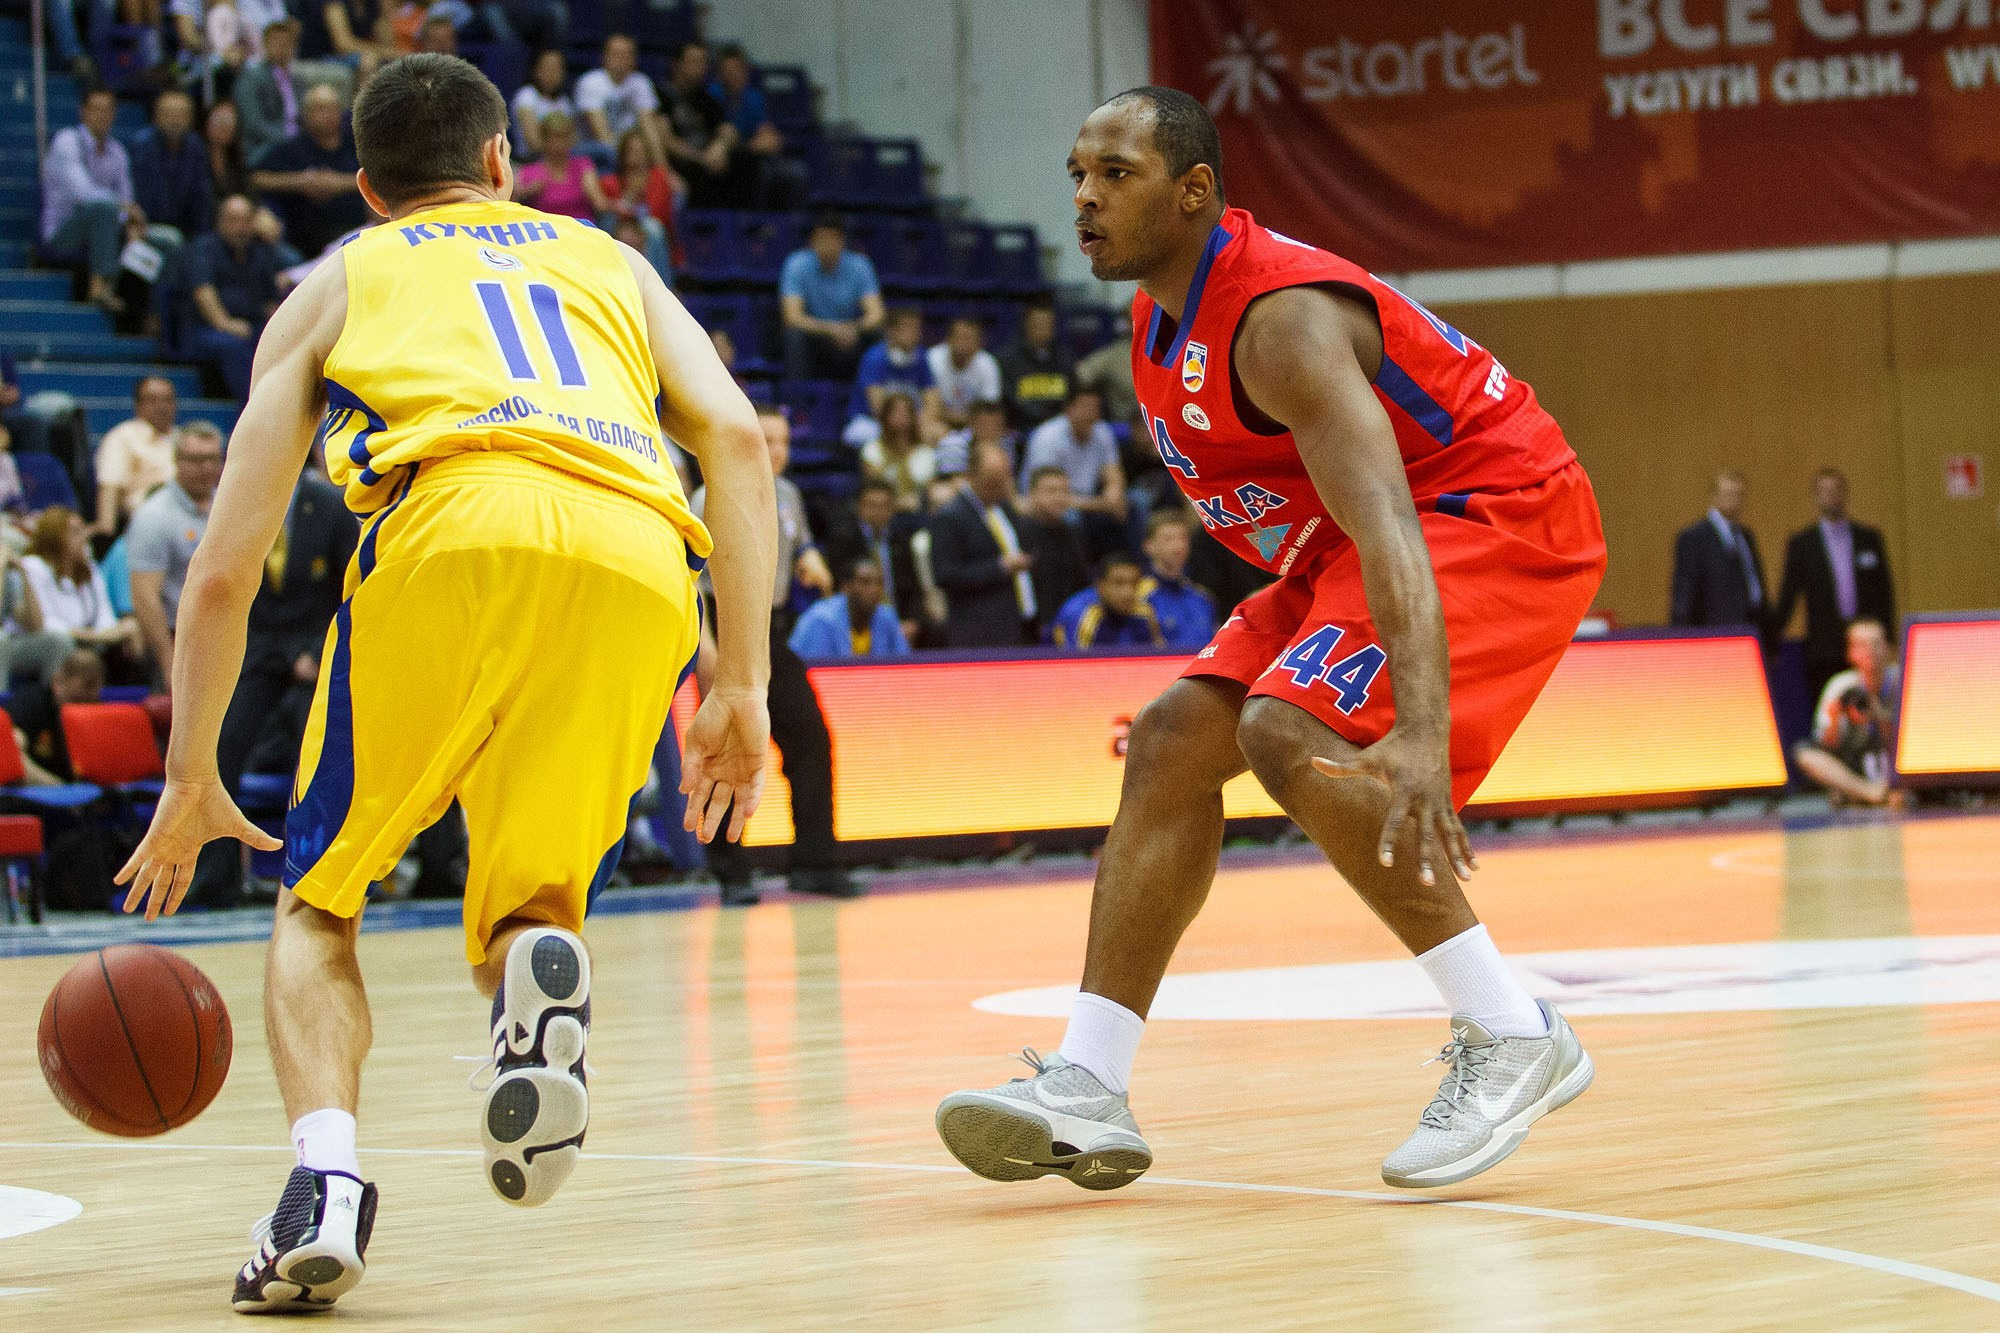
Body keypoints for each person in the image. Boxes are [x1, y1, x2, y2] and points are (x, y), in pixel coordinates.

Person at [112, 54, 776, 1313]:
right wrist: (735, 679)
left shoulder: (335, 283)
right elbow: (737, 439)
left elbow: (219, 572)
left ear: (366, 188)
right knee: (534, 900)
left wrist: (193, 770)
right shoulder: (610, 261)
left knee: (320, 898)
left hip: (448, 529)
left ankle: (324, 1187)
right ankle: (534, 963)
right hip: (640, 552)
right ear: (498, 161)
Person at [936, 88, 1606, 1193]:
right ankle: (1087, 1083)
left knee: (1289, 729)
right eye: (1076, 174)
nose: (1083, 200)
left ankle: (1511, 1029)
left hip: (1493, 514)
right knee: (1166, 742)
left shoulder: (1278, 320)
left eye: (1114, 175)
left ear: (1193, 192)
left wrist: (1419, 731)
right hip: (1339, 547)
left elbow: (1390, 517)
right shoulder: (1156, 314)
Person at [690, 407, 853, 907]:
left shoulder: (789, 496)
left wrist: (809, 556)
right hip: (720, 622)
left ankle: (815, 863)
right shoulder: (709, 494)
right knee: (725, 749)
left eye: (782, 441)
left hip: (769, 628)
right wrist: (707, 645)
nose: (774, 450)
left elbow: (796, 540)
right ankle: (732, 873)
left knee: (809, 738)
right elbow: (687, 577)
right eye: (764, 439)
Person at [186, 464, 358, 908]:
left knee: (321, 747)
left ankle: (324, 874)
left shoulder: (330, 506)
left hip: (312, 653)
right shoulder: (239, 508)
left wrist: (321, 651)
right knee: (218, 744)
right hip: (258, 649)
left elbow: (354, 587)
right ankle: (218, 877)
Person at [39, 87, 178, 316]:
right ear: (82, 112)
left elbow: (127, 197)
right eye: (96, 109)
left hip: (110, 228)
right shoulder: (67, 141)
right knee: (103, 209)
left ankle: (153, 316)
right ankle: (98, 289)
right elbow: (83, 193)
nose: (102, 115)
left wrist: (128, 223)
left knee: (170, 241)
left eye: (108, 110)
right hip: (65, 232)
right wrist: (123, 212)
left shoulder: (117, 152)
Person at [1775, 467, 1896, 707]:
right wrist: (1772, 639)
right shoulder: (1803, 544)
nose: (1832, 497)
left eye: (1836, 491)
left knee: (1871, 706)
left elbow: (1885, 592)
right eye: (1825, 492)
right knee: (1828, 705)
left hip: (1865, 643)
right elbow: (1788, 595)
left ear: (1845, 494)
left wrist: (1888, 637)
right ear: (1816, 497)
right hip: (1824, 645)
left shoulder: (1868, 539)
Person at [126, 420, 224, 682]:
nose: (207, 468)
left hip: (224, 636)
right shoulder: (154, 515)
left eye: (213, 459)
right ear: (177, 460)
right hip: (178, 639)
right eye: (196, 460)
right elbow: (145, 596)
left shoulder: (227, 505)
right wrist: (168, 661)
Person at [188, 195, 301, 400]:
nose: (239, 228)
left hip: (253, 325)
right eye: (233, 220)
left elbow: (270, 302)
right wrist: (225, 323)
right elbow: (203, 293)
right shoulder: (203, 250)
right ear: (219, 221)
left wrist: (281, 331)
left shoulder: (261, 252)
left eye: (245, 221)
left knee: (289, 343)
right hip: (211, 328)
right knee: (234, 345)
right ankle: (252, 405)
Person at [929, 440, 1035, 648]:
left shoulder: (1004, 507)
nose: (1001, 486)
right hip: (978, 631)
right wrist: (1000, 568)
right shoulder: (951, 516)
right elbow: (945, 575)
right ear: (972, 475)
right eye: (993, 481)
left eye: (1004, 479)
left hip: (1017, 621)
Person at [1793, 618, 1903, 808]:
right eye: (1862, 645)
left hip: (1893, 765)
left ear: (1888, 648)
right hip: (1856, 766)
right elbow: (1828, 746)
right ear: (1850, 653)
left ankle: (1880, 791)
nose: (1871, 651)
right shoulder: (1841, 686)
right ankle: (1869, 793)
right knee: (1805, 754)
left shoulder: (1902, 680)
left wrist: (1878, 715)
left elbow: (1912, 745)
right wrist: (1835, 719)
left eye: (1876, 644)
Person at [251, 82, 369, 258]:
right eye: (320, 109)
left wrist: (339, 183)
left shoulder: (358, 146)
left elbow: (385, 178)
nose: (328, 114)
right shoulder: (293, 148)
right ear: (306, 114)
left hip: (357, 237)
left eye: (333, 108)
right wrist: (301, 182)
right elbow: (257, 178)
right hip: (302, 242)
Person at [20, 507, 140, 662]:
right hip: (44, 644)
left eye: (83, 530)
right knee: (65, 646)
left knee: (132, 632)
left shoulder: (89, 569)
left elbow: (105, 616)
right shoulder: (33, 566)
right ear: (54, 538)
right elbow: (44, 624)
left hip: (88, 641)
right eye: (75, 532)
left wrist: (115, 631)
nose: (84, 537)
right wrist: (89, 635)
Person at [1019, 385, 1126, 556]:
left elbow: (1114, 474)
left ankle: (1120, 565)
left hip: (1088, 501)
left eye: (1095, 408)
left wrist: (1114, 495)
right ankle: (1080, 572)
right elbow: (1047, 495)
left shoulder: (1102, 432)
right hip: (1050, 501)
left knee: (1133, 504)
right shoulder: (1048, 437)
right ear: (1069, 409)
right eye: (1085, 407)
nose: (1090, 413)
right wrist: (1102, 504)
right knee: (1069, 516)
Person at [780, 215, 885, 381]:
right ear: (812, 240)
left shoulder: (861, 265)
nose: (827, 245)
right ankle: (798, 399)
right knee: (794, 335)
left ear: (842, 240)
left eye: (833, 239)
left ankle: (871, 394)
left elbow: (876, 315)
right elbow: (792, 317)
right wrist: (832, 330)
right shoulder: (796, 264)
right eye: (822, 239)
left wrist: (852, 328)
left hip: (851, 334)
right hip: (816, 336)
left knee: (878, 335)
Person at [823, 478, 924, 645]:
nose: (878, 511)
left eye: (884, 505)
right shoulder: (843, 538)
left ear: (893, 509)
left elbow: (914, 588)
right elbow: (839, 588)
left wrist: (912, 620)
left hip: (897, 618)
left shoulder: (901, 540)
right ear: (860, 507)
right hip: (856, 619)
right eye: (872, 505)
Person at [1670, 469, 1767, 630]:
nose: (1734, 500)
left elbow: (1754, 581)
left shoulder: (1745, 535)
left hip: (1749, 625)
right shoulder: (1695, 537)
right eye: (1728, 494)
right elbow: (1684, 591)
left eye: (1738, 494)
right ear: (1714, 496)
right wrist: (1682, 633)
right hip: (1714, 629)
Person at [95, 376, 181, 534]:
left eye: (167, 400)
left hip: (188, 519)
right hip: (144, 524)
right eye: (153, 400)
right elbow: (110, 487)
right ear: (138, 405)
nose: (161, 407)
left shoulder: (184, 439)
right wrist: (106, 534)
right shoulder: (123, 436)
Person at [9, 647, 106, 784]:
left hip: (80, 793)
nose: (81, 709)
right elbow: (11, 754)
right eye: (76, 700)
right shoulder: (31, 702)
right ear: (57, 682)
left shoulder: (99, 712)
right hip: (35, 792)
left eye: (89, 701)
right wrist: (59, 787)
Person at [132, 91, 216, 245]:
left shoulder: (196, 147)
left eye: (180, 115)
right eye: (169, 114)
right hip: (148, 225)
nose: (175, 120)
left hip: (187, 227)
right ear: (156, 116)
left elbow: (202, 196)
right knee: (172, 239)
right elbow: (142, 195)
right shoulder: (142, 145)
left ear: (191, 118)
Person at [846, 307, 939, 444]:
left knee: (941, 433)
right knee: (862, 435)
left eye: (917, 328)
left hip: (912, 422)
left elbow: (933, 402)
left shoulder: (921, 357)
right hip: (871, 421)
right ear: (891, 332)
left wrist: (920, 425)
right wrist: (909, 429)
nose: (915, 333)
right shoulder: (875, 358)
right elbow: (879, 409)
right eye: (908, 327)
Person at [788, 557, 911, 660]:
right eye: (865, 583)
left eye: (879, 583)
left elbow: (905, 665)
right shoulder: (821, 620)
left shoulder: (886, 617)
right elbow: (811, 672)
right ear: (845, 587)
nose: (874, 590)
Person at [1015, 464, 1090, 625]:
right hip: (1030, 627)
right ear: (1032, 494)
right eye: (1051, 491)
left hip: (1068, 624)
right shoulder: (1018, 533)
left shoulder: (1074, 533)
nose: (1059, 498)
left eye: (1064, 491)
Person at [575, 34, 663, 166]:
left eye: (626, 54)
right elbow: (601, 134)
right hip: (595, 148)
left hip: (629, 147)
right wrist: (629, 157)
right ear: (604, 57)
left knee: (661, 127)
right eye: (615, 54)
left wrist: (662, 168)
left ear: (634, 59)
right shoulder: (591, 81)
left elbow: (648, 125)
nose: (620, 59)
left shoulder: (641, 82)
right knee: (608, 152)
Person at [1049, 552, 1165, 651]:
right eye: (1118, 583)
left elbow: (1158, 659)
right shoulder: (1081, 615)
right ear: (1101, 586)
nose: (1128, 592)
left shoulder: (1143, 613)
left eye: (1134, 583)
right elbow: (1075, 670)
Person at [1139, 508, 1217, 650]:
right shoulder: (1140, 597)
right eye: (1168, 539)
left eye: (1182, 538)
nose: (1178, 546)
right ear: (1148, 546)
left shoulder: (1202, 597)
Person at [235, 19, 309, 166]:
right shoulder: (251, 78)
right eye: (276, 41)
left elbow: (305, 118)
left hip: (299, 145)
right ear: (265, 45)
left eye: (287, 42)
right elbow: (254, 123)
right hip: (266, 147)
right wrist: (288, 142)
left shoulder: (299, 81)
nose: (282, 46)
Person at [511, 113, 606, 223]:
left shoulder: (583, 166)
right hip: (546, 233)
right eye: (553, 138)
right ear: (543, 139)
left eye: (563, 137)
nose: (558, 144)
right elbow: (512, 208)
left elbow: (600, 204)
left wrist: (593, 192)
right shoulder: (528, 172)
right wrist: (526, 193)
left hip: (581, 230)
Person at [999, 302, 1075, 431]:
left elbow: (1072, 396)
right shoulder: (1007, 360)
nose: (1042, 329)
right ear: (1026, 325)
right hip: (1020, 428)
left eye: (1047, 324)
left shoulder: (1066, 359)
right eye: (1037, 324)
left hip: (1059, 428)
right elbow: (1009, 399)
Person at [858, 392, 935, 511]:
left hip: (919, 510)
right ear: (885, 416)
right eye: (896, 412)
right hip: (884, 512)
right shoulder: (872, 451)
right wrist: (898, 503)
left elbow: (931, 491)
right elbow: (873, 489)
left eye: (906, 412)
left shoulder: (926, 453)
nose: (901, 417)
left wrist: (919, 503)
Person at [926, 316, 1002, 430]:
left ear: (980, 343)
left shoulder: (987, 364)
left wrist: (950, 415)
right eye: (959, 337)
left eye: (970, 338)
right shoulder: (933, 359)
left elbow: (989, 411)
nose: (963, 344)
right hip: (939, 424)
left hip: (976, 427)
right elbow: (928, 409)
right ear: (948, 339)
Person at [510, 48, 575, 162]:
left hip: (560, 161)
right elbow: (533, 142)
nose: (552, 73)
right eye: (548, 67)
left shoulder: (564, 101)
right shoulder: (526, 96)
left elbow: (573, 139)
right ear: (536, 70)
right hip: (530, 160)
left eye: (557, 68)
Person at [936, 399, 1017, 478]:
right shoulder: (952, 445)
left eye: (995, 426)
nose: (990, 432)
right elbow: (952, 484)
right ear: (971, 424)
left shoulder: (1007, 445)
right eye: (985, 426)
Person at [206, 99, 252, 202]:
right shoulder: (195, 154)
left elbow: (246, 195)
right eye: (218, 120)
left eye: (228, 122)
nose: (223, 126)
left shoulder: (238, 160)